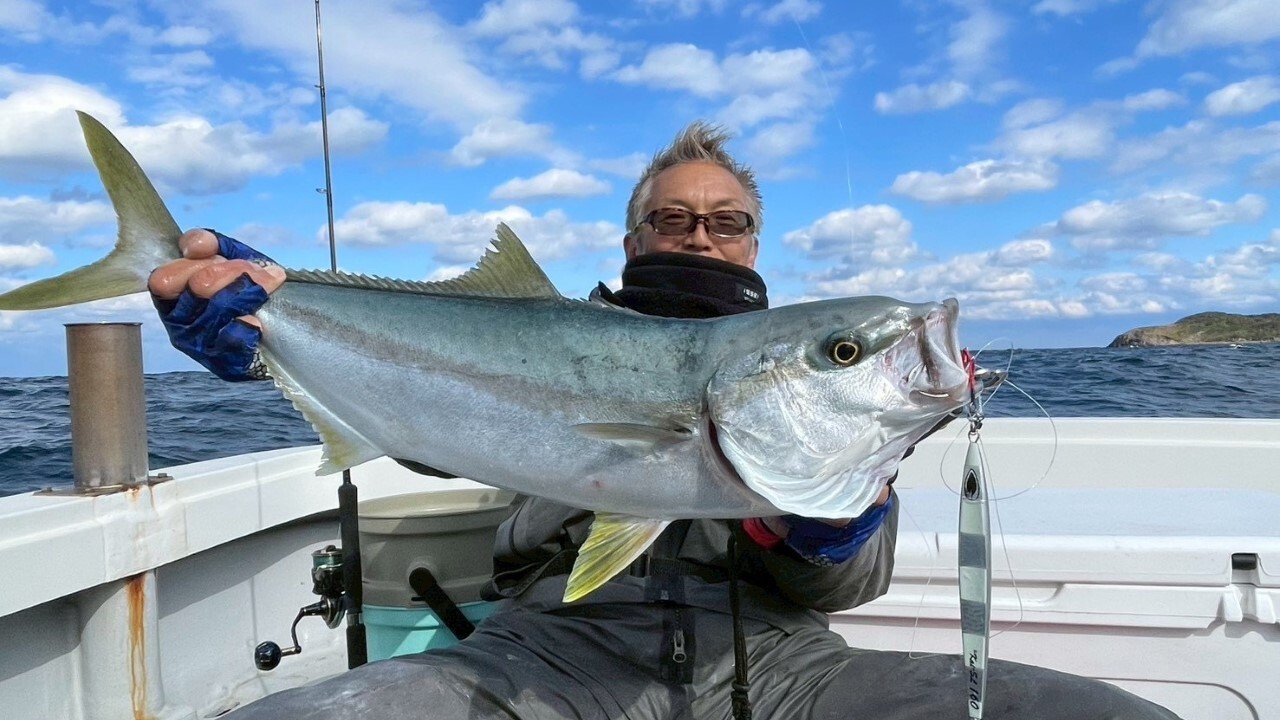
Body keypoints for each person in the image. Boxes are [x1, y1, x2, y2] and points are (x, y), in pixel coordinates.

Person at [149, 122, 1181, 719]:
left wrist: (818, 521)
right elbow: (423, 426)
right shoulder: (540, 332)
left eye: (725, 220)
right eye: (673, 217)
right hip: (539, 656)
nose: (701, 234)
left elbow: (849, 582)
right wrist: (278, 333)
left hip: (781, 666)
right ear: (634, 234)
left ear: (751, 240)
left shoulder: (812, 384)